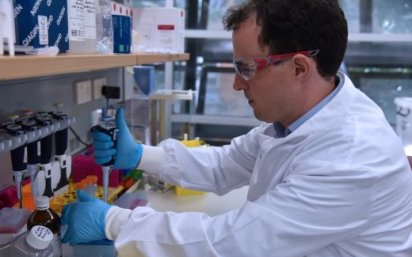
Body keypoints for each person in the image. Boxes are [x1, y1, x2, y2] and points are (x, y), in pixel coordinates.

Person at [61, 0, 412, 256]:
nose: (237, 85)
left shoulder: (351, 156)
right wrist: (141, 155)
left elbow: (231, 242)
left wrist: (115, 222)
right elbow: (223, 164)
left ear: (300, 68)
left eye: (246, 68)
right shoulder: (296, 122)